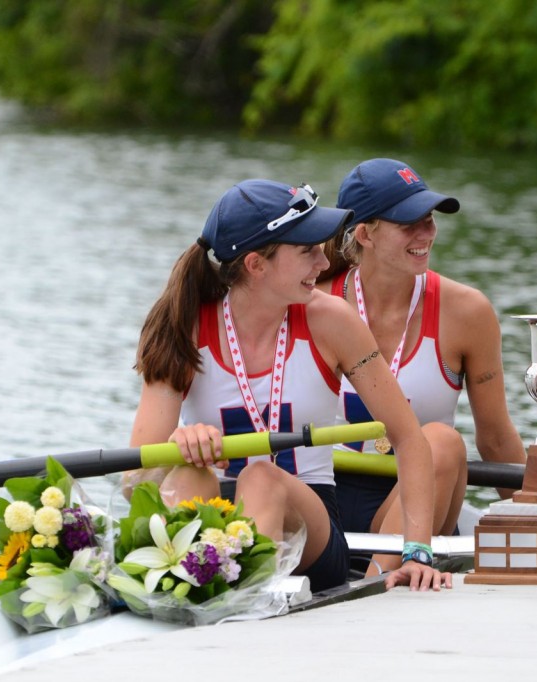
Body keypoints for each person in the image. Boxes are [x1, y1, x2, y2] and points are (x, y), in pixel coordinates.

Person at [123, 178, 451, 593]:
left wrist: (416, 551)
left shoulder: (332, 320)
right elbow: (137, 479)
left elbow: (409, 439)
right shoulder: (183, 326)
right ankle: (200, 585)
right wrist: (179, 442)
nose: (323, 261)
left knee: (261, 476)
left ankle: (231, 599)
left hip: (312, 532)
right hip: (215, 518)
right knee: (189, 472)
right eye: (307, 250)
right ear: (256, 265)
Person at [319, 158, 527, 574]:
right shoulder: (314, 306)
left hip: (420, 496)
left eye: (429, 220)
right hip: (325, 495)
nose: (427, 234)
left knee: (442, 441)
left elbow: (497, 438)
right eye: (409, 223)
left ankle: (379, 581)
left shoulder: (467, 312)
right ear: (365, 234)